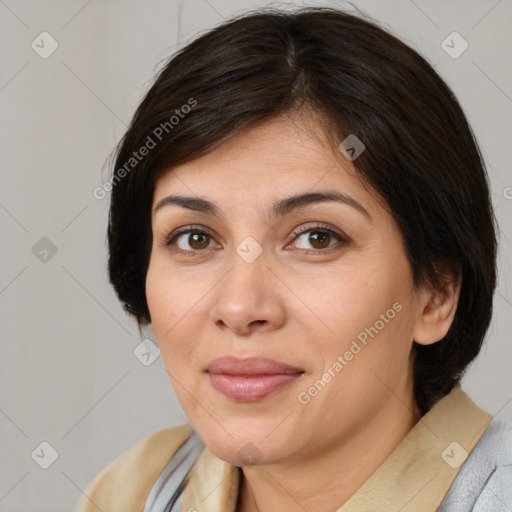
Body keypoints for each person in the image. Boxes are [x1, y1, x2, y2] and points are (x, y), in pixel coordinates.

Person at [76, 6, 512, 512]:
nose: (240, 307)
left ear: (436, 293)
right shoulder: (133, 490)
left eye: (317, 239)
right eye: (195, 239)